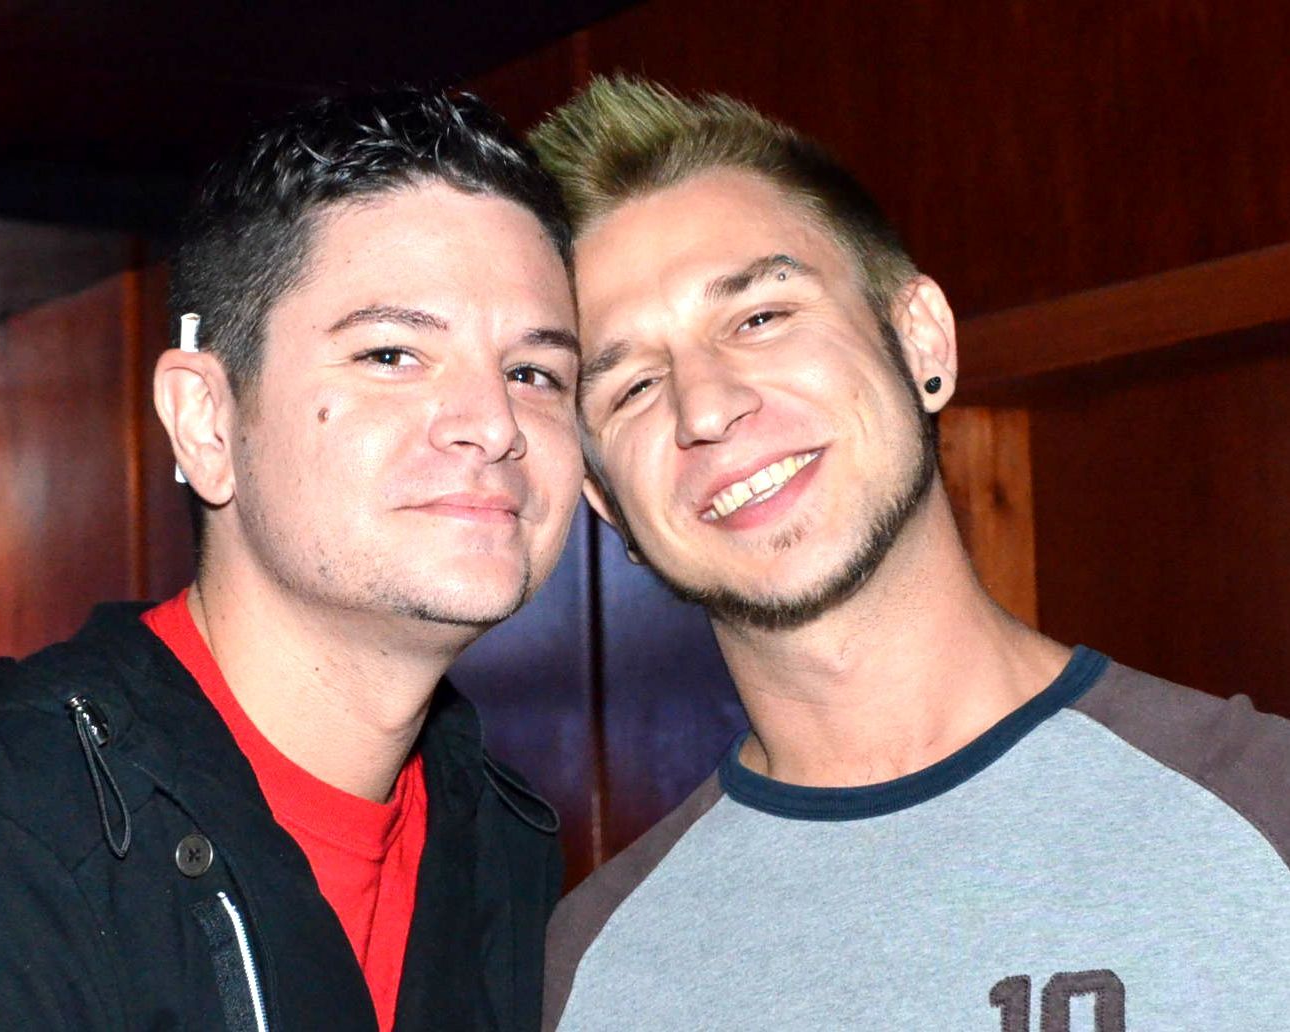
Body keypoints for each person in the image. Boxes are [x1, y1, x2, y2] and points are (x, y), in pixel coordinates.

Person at [0, 87, 583, 1031]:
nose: (493, 423)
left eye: (533, 372)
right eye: (391, 355)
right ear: (206, 423)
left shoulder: (499, 842)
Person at [529, 77, 1290, 1030]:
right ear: (608, 504)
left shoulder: (1263, 814)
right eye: (632, 386)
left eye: (760, 318)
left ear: (920, 340)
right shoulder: (593, 971)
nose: (706, 407)